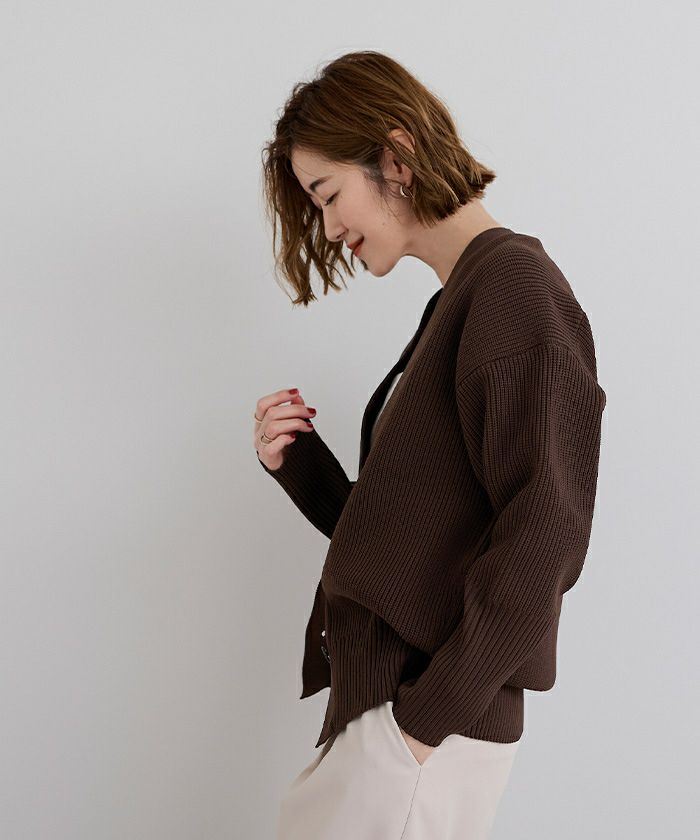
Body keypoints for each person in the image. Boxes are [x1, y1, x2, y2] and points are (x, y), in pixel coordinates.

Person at [254, 50, 606, 840]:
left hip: (422, 730)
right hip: (396, 720)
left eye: (328, 194)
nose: (328, 227)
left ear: (395, 157)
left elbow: (547, 529)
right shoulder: (461, 302)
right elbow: (418, 542)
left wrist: (421, 726)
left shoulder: (513, 291)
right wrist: (304, 470)